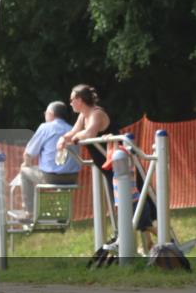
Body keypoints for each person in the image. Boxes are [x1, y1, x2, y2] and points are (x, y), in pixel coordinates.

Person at [57, 84, 155, 250]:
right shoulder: (83, 116)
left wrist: (73, 139)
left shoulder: (97, 114)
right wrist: (63, 138)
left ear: (80, 100)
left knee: (134, 204)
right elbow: (73, 132)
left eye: (72, 99)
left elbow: (88, 134)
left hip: (122, 166)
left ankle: (161, 243)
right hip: (110, 168)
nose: (70, 103)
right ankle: (146, 245)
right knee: (131, 206)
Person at [18, 101, 80, 218]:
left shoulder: (45, 127)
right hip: (73, 178)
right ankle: (60, 211)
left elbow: (28, 154)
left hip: (52, 177)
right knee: (42, 169)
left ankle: (29, 211)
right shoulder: (72, 129)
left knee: (24, 171)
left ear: (50, 114)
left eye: (45, 113)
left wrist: (26, 165)